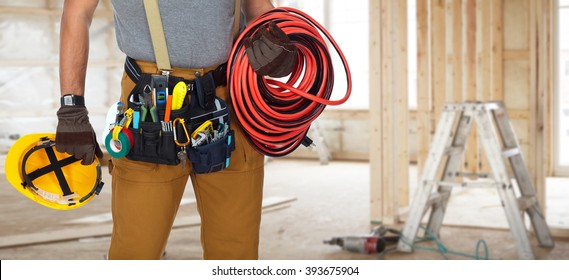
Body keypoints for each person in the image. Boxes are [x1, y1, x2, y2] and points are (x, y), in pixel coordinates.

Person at [56, 0, 296, 260]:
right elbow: (77, 12)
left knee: (236, 250)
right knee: (137, 251)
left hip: (230, 97)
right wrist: (72, 106)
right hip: (149, 101)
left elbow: (258, 9)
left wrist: (280, 45)